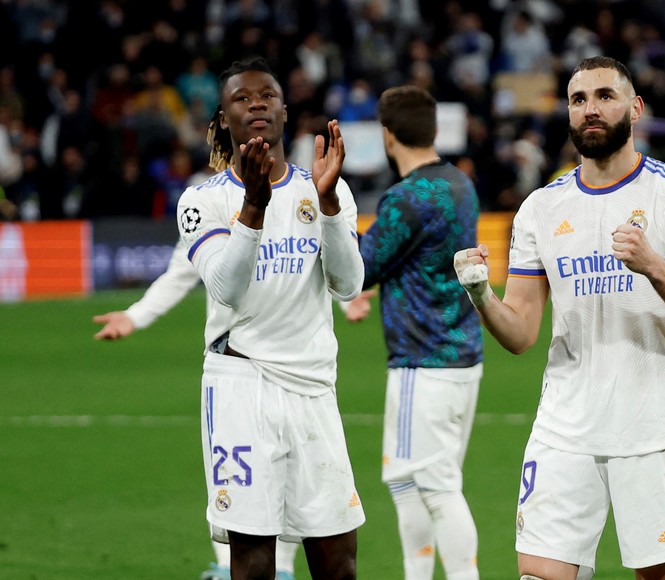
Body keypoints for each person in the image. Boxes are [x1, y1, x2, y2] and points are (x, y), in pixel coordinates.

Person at [453, 56, 665, 580]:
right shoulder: (540, 208)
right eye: (579, 100)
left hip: (654, 427)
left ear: (635, 108)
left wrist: (652, 265)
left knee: (661, 574)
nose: (590, 110)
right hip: (565, 427)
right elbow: (521, 333)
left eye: (604, 96)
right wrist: (480, 294)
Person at [174, 55, 365, 580]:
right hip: (242, 386)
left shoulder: (324, 187)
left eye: (267, 96)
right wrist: (253, 208)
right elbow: (226, 288)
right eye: (242, 97)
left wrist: (326, 205)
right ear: (223, 118)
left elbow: (349, 285)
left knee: (338, 560)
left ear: (284, 112)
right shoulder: (202, 202)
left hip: (312, 388)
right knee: (254, 559)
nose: (256, 103)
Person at [91, 246, 301, 580]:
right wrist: (136, 315)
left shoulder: (299, 201)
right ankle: (225, 563)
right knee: (231, 467)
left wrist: (350, 298)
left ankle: (284, 568)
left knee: (293, 470)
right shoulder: (210, 202)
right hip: (233, 366)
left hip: (297, 365)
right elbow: (180, 273)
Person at [343, 85, 483, 580]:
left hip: (421, 362)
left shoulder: (406, 198)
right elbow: (426, 264)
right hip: (461, 351)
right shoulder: (461, 184)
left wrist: (332, 211)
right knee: (408, 482)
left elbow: (358, 269)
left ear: (387, 136)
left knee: (437, 487)